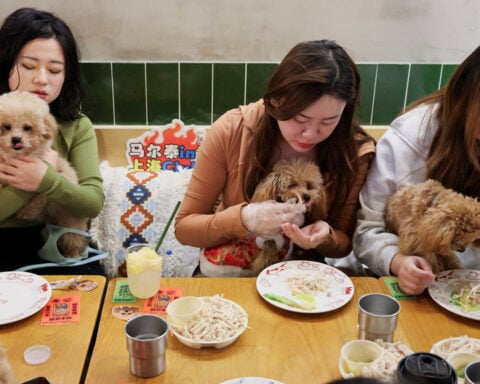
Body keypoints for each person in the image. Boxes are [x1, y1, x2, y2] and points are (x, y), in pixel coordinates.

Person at [175, 40, 375, 275]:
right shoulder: (232, 130)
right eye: (300, 119)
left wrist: (325, 237)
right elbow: (184, 228)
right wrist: (245, 218)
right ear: (274, 101)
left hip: (302, 277)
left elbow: (343, 244)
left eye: (328, 121)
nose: (310, 134)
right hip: (230, 272)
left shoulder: (354, 151)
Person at [353, 45, 480, 295]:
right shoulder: (413, 135)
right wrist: (398, 262)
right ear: (467, 97)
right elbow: (367, 232)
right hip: (402, 288)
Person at [0, 8, 105, 273]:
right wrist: (29, 183)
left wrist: (46, 180)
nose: (42, 79)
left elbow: (92, 202)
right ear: (6, 63)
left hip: (60, 239)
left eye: (55, 70)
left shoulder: (77, 126)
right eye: (28, 66)